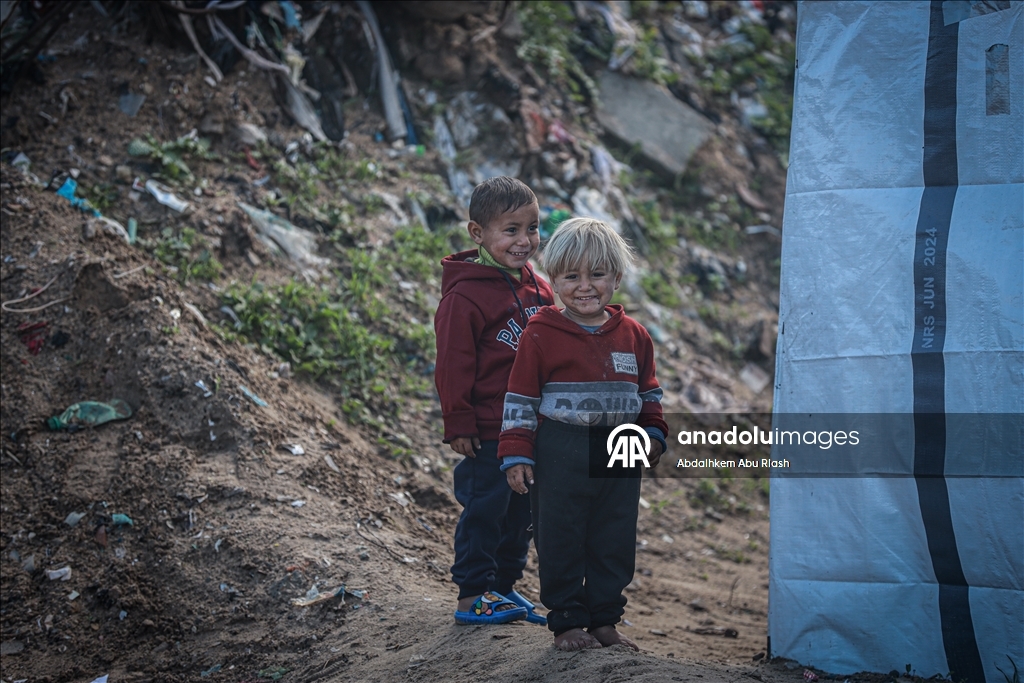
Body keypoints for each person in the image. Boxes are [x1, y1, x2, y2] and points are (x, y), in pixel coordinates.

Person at [497, 217, 668, 651]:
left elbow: (649, 394)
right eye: (571, 276)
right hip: (561, 447)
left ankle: (605, 619)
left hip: (621, 448)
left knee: (614, 537)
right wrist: (517, 452)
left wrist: (653, 434)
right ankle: (569, 620)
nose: (585, 286)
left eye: (597, 274)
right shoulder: (541, 333)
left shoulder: (635, 336)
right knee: (561, 536)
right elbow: (521, 397)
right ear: (553, 280)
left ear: (617, 278)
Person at [434, 176, 555, 625]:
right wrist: (459, 421)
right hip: (487, 429)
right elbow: (452, 364)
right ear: (477, 233)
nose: (525, 240)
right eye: (511, 230)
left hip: (530, 428)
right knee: (485, 510)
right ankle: (472, 596)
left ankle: (503, 587)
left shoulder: (540, 288)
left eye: (532, 228)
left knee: (521, 512)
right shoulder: (464, 297)